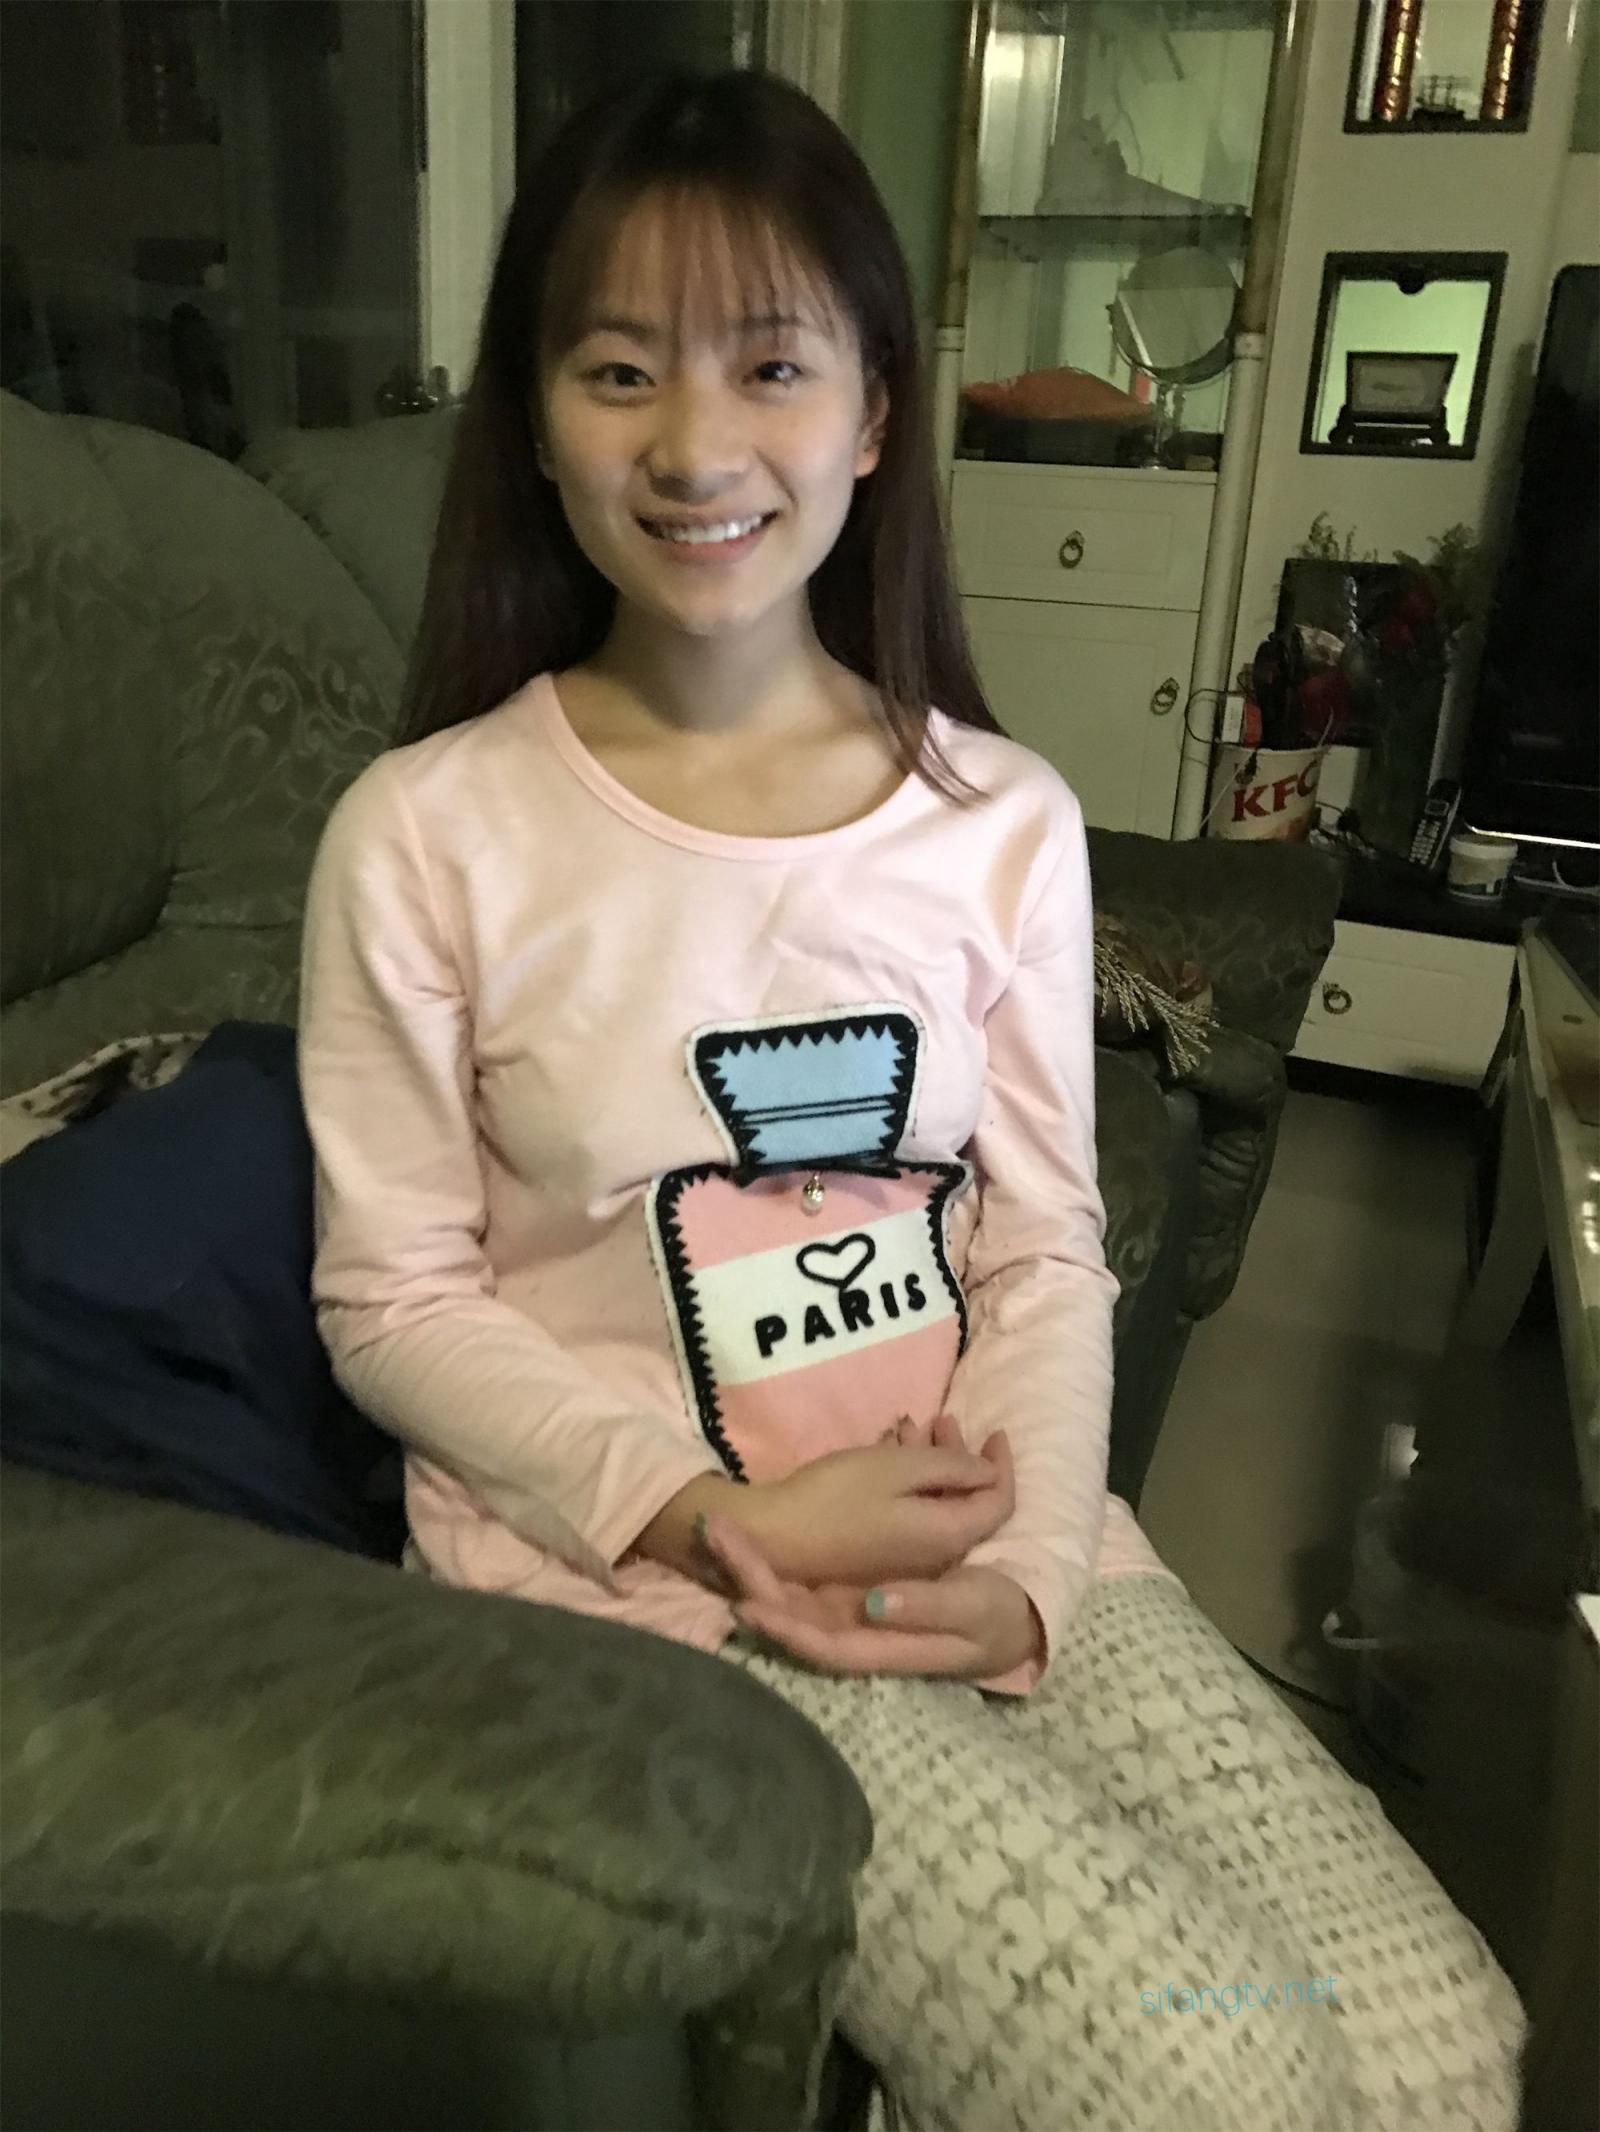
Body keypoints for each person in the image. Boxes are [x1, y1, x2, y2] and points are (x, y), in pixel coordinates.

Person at [297, 68, 1525, 2132]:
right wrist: (715, 1517)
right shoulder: (425, 835)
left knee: (1437, 2043)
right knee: (1205, 2073)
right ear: (534, 415)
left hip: (983, 1513)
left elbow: (1040, 1241)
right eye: (619, 370)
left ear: (873, 412)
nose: (695, 446)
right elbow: (391, 1297)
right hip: (635, 1579)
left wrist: (1031, 1562)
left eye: (770, 366)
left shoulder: (999, 822)